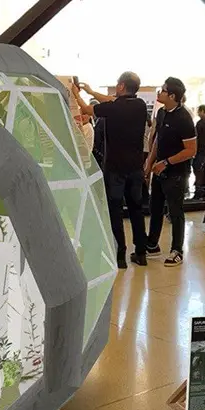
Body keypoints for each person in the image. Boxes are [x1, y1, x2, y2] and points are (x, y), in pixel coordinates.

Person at [75, 73, 150, 268]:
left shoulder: (113, 108)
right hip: (135, 168)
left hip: (115, 169)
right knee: (136, 210)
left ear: (121, 86)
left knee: (115, 211)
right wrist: (91, 91)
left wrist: (76, 94)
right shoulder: (140, 105)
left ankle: (119, 255)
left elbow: (86, 109)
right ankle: (141, 253)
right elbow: (112, 101)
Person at [145, 77, 196, 267]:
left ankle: (177, 250)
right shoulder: (162, 113)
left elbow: (191, 150)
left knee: (175, 212)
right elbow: (158, 140)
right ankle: (152, 244)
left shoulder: (184, 118)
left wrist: (166, 162)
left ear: (172, 95)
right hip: (159, 170)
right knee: (155, 207)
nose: (160, 92)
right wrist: (150, 162)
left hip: (176, 173)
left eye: (163, 90)